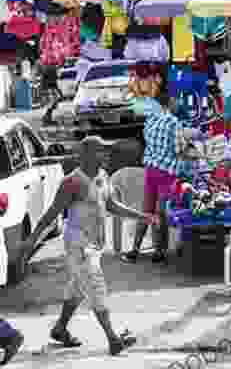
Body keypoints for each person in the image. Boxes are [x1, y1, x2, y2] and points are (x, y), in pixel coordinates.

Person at [21, 136, 154, 355]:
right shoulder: (72, 182)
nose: (106, 155)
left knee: (78, 288)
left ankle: (60, 328)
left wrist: (142, 216)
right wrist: (31, 240)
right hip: (78, 245)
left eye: (105, 151)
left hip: (95, 245)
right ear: (85, 155)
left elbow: (112, 205)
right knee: (95, 287)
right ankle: (113, 338)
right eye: (100, 151)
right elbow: (52, 214)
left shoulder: (103, 176)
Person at [121, 91, 199, 264]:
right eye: (175, 101)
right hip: (166, 171)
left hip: (150, 168)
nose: (178, 103)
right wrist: (195, 152)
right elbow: (180, 150)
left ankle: (134, 251)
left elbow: (150, 143)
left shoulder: (150, 120)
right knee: (160, 211)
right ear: (169, 103)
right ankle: (158, 252)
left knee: (146, 210)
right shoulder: (173, 122)